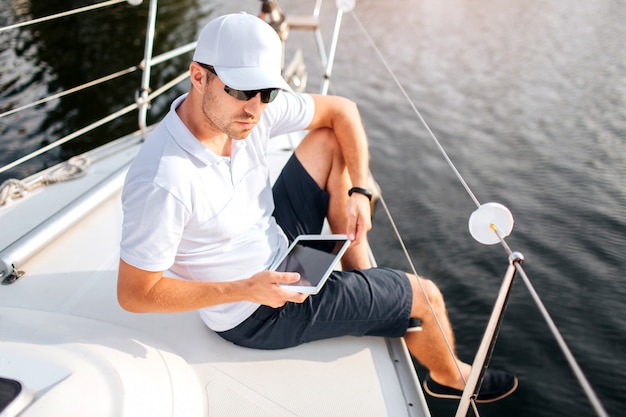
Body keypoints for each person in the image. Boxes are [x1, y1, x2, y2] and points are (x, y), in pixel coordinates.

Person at [117, 12, 517, 402]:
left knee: (327, 140)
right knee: (426, 297)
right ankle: (449, 377)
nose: (255, 110)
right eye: (240, 91)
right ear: (198, 76)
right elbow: (135, 294)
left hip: (273, 241)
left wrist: (359, 191)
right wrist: (244, 289)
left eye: (267, 93)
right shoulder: (163, 179)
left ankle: (364, 278)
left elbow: (343, 111)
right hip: (256, 311)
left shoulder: (249, 114)